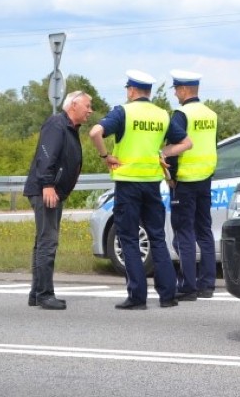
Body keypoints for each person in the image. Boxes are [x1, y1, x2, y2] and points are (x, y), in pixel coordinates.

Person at [89, 70, 192, 310]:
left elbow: (95, 132)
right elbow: (187, 142)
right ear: (149, 92)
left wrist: (105, 155)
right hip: (152, 185)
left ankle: (137, 297)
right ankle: (168, 295)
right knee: (157, 236)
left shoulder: (123, 112)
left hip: (127, 185)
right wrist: (163, 153)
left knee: (129, 238)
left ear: (132, 90)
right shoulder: (162, 115)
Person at [24, 90, 93, 310]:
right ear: (73, 105)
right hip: (47, 190)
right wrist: (47, 184)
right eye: (87, 106)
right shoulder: (57, 124)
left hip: (51, 189)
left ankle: (36, 293)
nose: (90, 111)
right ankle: (45, 294)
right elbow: (46, 154)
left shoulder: (69, 128)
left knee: (43, 241)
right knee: (48, 242)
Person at [167, 69, 218, 301]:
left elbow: (174, 150)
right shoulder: (211, 114)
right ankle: (207, 284)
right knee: (204, 231)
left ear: (185, 90)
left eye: (177, 89)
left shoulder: (181, 114)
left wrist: (172, 176)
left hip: (185, 180)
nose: (176, 94)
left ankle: (188, 286)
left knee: (184, 233)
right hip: (205, 178)